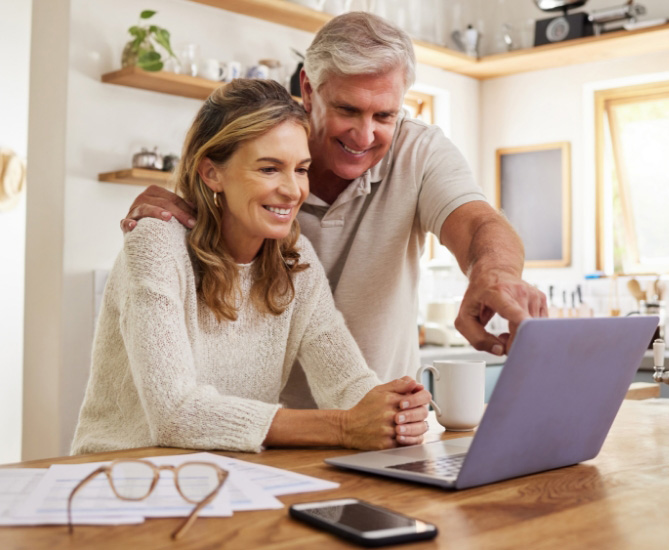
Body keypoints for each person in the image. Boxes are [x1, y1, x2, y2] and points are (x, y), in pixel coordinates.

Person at [120, 12, 547, 410]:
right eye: (347, 109)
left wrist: (494, 274)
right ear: (308, 89)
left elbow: (478, 224)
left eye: (385, 115)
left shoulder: (419, 152)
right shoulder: (253, 163)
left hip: (366, 422)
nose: (365, 135)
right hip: (254, 430)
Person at [71, 79, 430, 455]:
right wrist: (343, 427)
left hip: (229, 479)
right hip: (120, 480)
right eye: (270, 168)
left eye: (301, 169)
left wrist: (394, 410)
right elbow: (175, 413)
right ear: (212, 173)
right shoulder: (157, 243)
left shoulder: (295, 259)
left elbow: (348, 385)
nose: (293, 191)